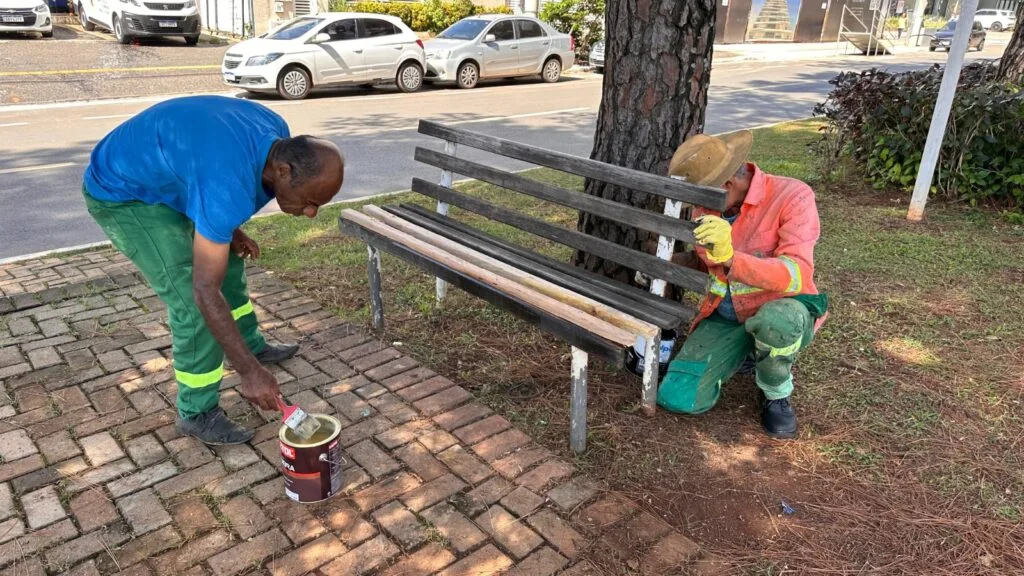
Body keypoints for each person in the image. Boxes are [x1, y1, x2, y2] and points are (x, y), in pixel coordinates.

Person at [82, 95, 345, 445]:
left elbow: (208, 174)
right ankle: (196, 411)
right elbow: (204, 290)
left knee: (230, 264)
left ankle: (252, 345)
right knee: (194, 303)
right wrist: (249, 374)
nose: (311, 213)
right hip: (125, 193)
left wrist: (229, 229)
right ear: (284, 171)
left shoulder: (276, 135)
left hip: (172, 179)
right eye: (312, 201)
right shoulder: (227, 181)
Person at [655, 130, 828, 439]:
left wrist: (733, 259)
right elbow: (704, 262)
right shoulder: (709, 208)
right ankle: (745, 351)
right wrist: (663, 265)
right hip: (725, 317)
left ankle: (775, 393)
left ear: (727, 185)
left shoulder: (792, 196)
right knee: (676, 396)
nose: (699, 208)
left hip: (783, 310)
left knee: (777, 322)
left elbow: (796, 272)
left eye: (702, 198)